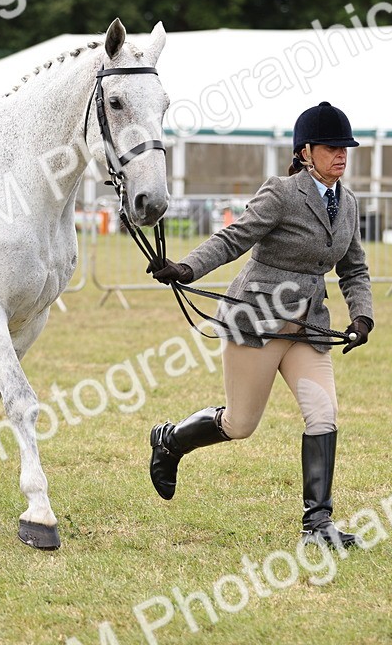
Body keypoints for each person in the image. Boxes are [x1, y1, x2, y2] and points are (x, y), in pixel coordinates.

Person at [147, 101, 374, 548]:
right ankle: (170, 440)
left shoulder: (347, 203)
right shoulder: (282, 193)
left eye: (345, 147)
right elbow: (234, 238)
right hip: (257, 321)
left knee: (323, 414)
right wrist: (187, 269)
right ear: (306, 151)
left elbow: (354, 268)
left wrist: (362, 315)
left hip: (308, 327)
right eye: (331, 147)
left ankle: (317, 526)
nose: (341, 155)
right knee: (240, 423)